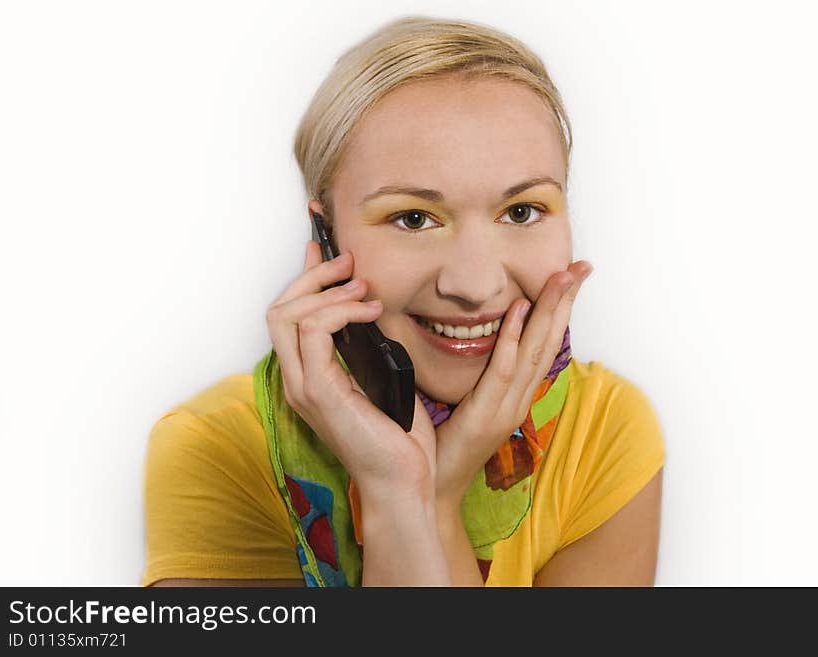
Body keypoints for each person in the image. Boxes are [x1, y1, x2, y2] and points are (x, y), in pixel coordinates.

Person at [142, 15, 666, 587]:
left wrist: (438, 499)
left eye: (521, 211)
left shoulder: (605, 430)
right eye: (413, 218)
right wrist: (398, 493)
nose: (475, 284)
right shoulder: (218, 446)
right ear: (328, 237)